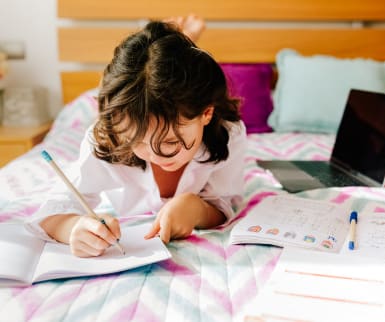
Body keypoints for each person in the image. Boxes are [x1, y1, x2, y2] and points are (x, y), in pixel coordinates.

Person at [26, 15, 247, 258]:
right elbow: (52, 211)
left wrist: (197, 209)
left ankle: (183, 39)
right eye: (137, 141)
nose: (155, 154)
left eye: (170, 142)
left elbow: (227, 203)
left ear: (206, 113)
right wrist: (71, 229)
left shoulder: (229, 135)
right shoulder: (108, 138)